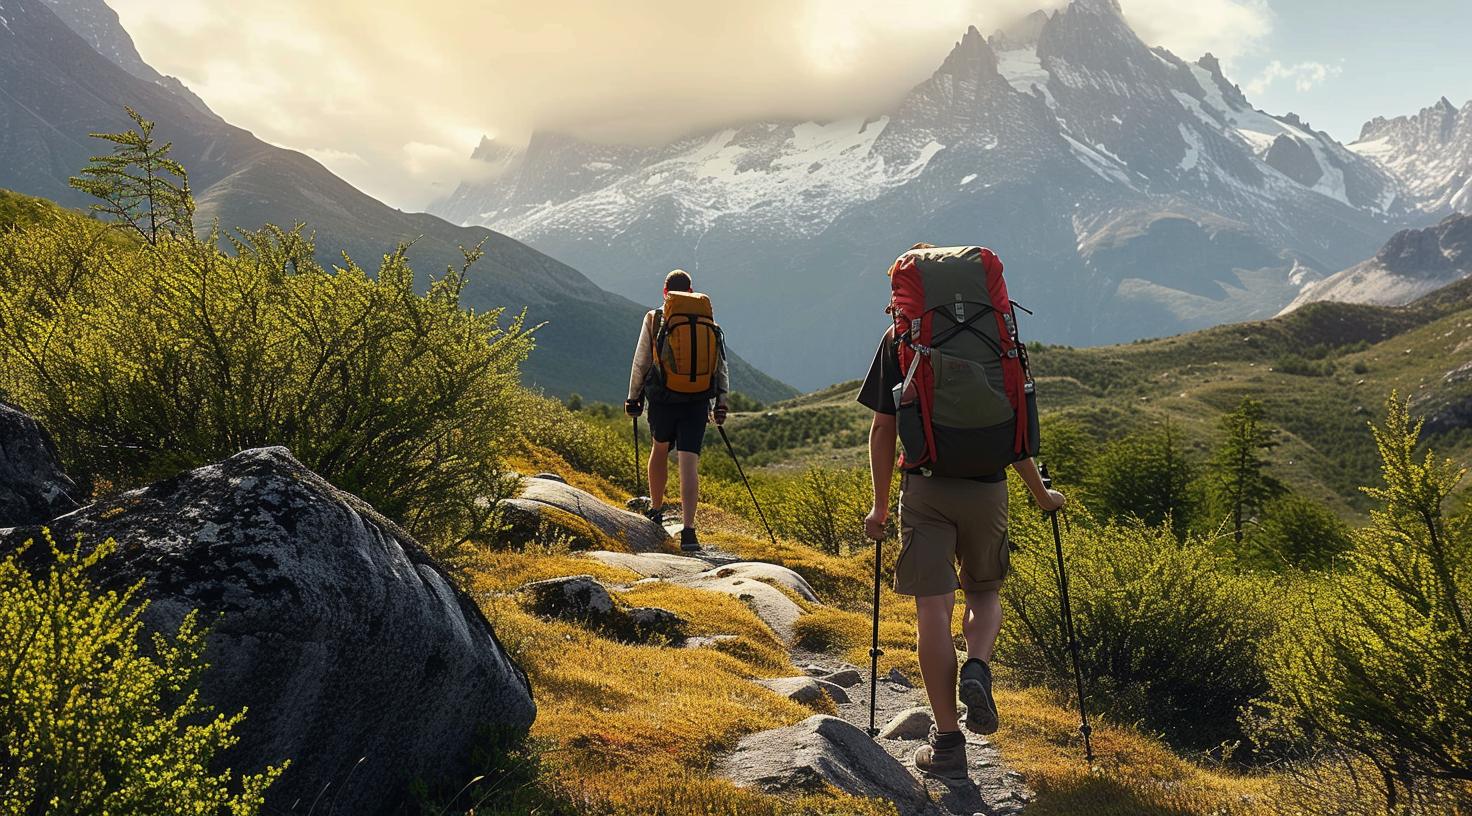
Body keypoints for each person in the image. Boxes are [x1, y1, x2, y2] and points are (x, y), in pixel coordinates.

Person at [858, 289, 1065, 780]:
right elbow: (1014, 430)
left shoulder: (900, 338)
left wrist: (880, 505)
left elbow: (883, 429)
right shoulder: (996, 335)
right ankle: (978, 664)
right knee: (984, 591)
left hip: (926, 489)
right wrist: (1042, 497)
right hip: (988, 488)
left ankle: (949, 742)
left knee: (933, 608)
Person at [625, 269, 729, 552]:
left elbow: (642, 360)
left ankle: (656, 511)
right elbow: (720, 363)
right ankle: (689, 532)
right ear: (691, 290)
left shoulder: (655, 318)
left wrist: (633, 397)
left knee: (659, 450)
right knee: (688, 463)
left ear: (665, 291)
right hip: (698, 400)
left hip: (664, 398)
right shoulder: (707, 319)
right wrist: (721, 402)